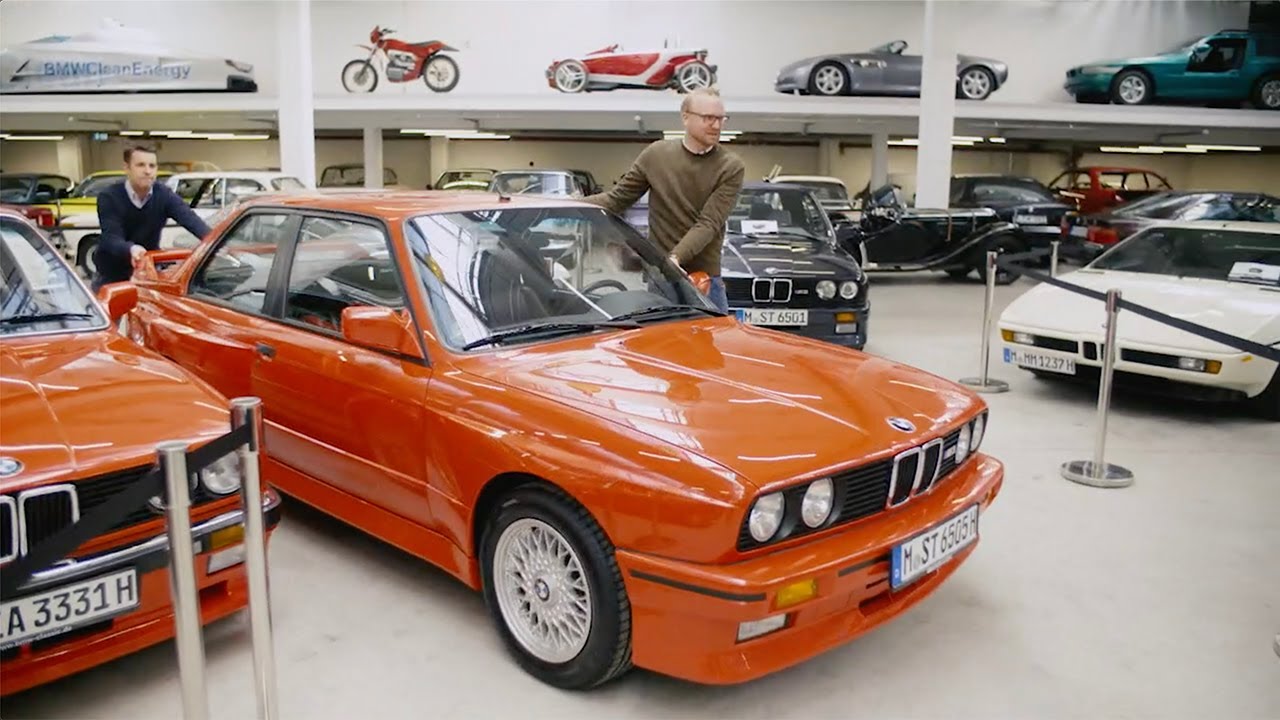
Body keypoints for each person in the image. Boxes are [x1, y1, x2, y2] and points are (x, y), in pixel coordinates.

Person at [583, 87, 745, 312]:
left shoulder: (730, 166)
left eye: (721, 118)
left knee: (712, 335)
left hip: (704, 281)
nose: (716, 125)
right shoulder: (656, 155)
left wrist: (675, 258)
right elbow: (617, 200)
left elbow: (709, 223)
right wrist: (572, 203)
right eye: (708, 118)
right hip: (662, 280)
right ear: (685, 117)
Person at [92, 143, 211, 290]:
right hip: (112, 273)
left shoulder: (164, 194)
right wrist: (132, 249)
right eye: (140, 165)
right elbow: (112, 237)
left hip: (147, 270)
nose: (147, 171)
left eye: (152, 166)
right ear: (127, 168)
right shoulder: (110, 197)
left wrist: (216, 242)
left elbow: (192, 221)